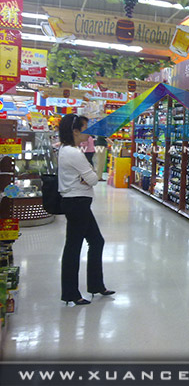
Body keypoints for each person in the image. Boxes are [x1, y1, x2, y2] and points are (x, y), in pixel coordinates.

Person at [58, 114, 114, 305]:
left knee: (96, 241)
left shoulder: (66, 149)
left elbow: (89, 177)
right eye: (85, 129)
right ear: (75, 131)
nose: (89, 133)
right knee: (74, 247)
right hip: (77, 202)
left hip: (77, 201)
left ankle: (96, 285)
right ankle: (71, 293)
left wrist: (88, 175)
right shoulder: (73, 153)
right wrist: (89, 173)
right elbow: (93, 179)